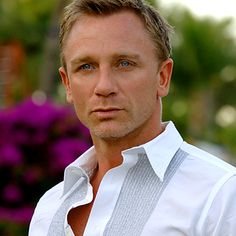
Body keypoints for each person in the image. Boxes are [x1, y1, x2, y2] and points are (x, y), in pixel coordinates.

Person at [29, 0, 236, 235]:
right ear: (67, 84)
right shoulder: (49, 207)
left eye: (124, 63)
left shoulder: (220, 196)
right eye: (86, 67)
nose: (104, 86)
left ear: (162, 77)